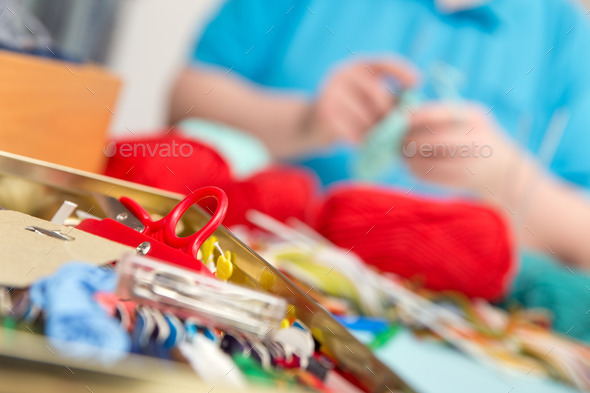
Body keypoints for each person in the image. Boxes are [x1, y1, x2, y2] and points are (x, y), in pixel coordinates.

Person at [169, 0, 590, 269]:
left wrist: (502, 175)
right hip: (245, 260)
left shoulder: (566, 36)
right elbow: (185, 103)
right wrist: (306, 121)